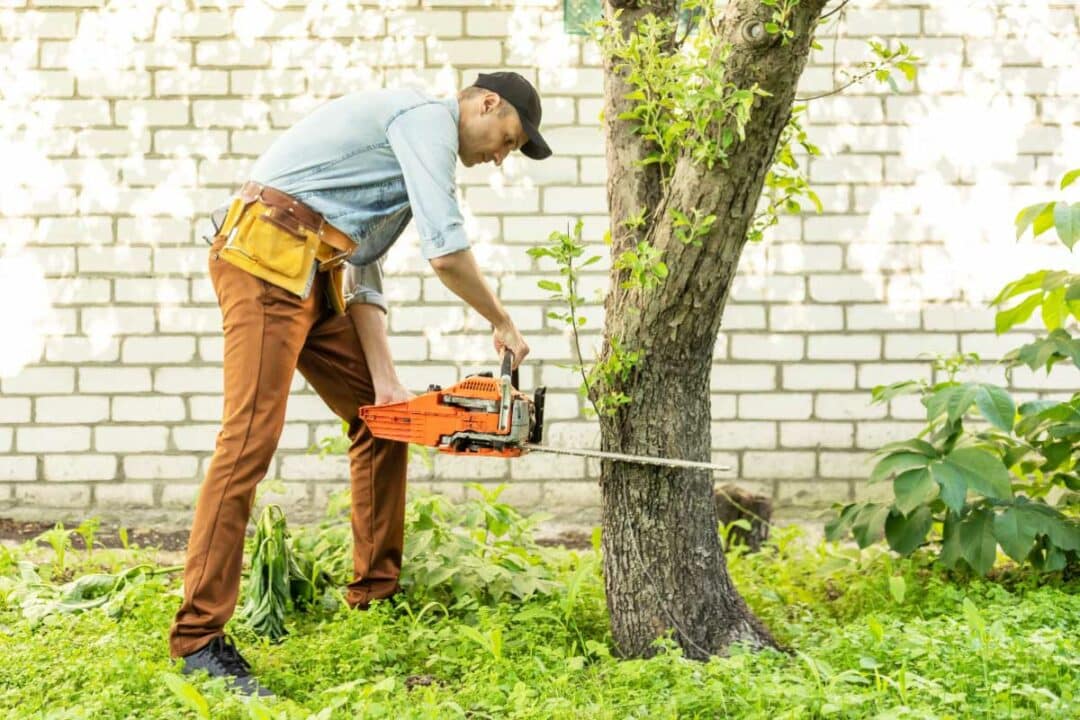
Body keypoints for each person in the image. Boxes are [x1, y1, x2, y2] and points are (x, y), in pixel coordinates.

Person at [168, 71, 552, 696]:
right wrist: (501, 320)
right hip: (264, 258)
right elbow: (447, 253)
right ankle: (197, 639)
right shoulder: (424, 121)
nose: (501, 158)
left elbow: (362, 269)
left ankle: (373, 594)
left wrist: (386, 382)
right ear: (486, 103)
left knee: (383, 420)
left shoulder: (405, 152)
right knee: (247, 444)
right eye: (507, 139)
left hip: (313, 273)